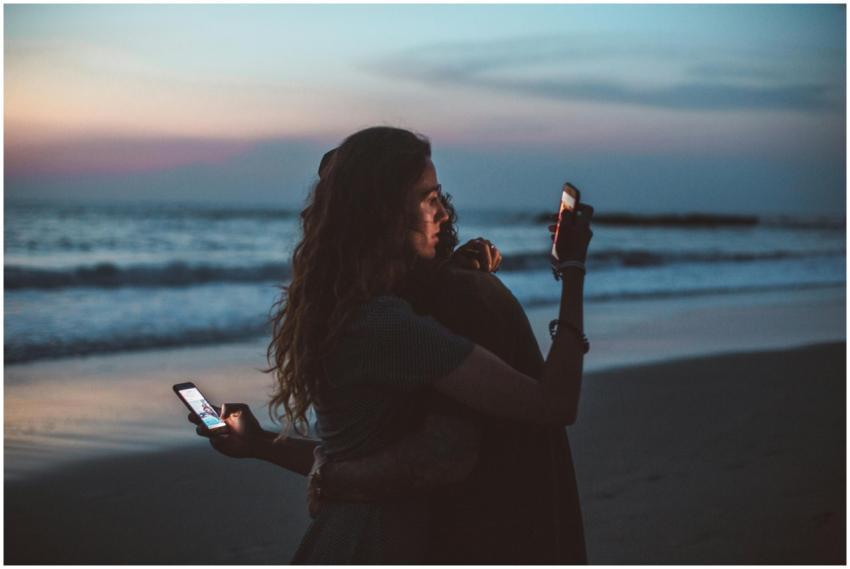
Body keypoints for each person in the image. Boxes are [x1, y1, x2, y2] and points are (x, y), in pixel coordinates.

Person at [189, 126, 593, 563]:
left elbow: (349, 459)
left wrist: (257, 444)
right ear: (383, 213)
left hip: (345, 536)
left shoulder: (344, 307)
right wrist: (572, 271)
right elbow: (554, 404)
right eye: (429, 198)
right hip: (374, 545)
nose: (444, 212)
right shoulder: (387, 325)